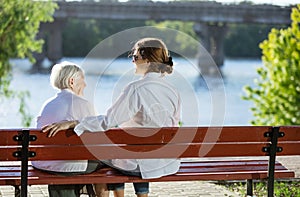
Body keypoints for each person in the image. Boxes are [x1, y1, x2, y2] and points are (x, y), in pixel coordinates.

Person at [42, 38, 182, 197]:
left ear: (148, 61)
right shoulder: (173, 91)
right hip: (167, 162)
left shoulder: (136, 88)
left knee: (101, 155)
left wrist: (75, 123)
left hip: (140, 165)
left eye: (135, 57)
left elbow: (108, 121)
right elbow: (173, 125)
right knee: (129, 149)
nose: (133, 61)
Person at [31, 62, 109, 197]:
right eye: (83, 79)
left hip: (44, 163)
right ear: (72, 81)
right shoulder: (83, 104)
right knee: (107, 163)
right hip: (70, 165)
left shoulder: (48, 105)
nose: (85, 84)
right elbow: (98, 139)